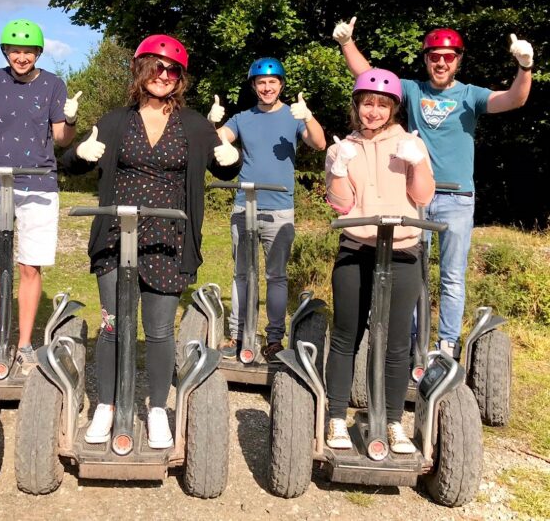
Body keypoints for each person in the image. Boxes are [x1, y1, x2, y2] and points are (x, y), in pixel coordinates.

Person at [60, 34, 242, 448]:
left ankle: (157, 408)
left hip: (168, 237)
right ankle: (106, 405)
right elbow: (69, 165)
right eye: (155, 68)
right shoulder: (115, 120)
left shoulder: (194, 124)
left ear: (180, 78)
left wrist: (233, 159)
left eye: (171, 69)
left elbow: (225, 166)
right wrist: (80, 154)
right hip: (116, 235)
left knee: (159, 331)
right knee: (112, 327)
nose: (163, 75)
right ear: (141, 71)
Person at [333, 18, 533, 357]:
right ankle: (410, 340)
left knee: (452, 275)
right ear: (426, 60)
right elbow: (367, 76)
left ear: (458, 61)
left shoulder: (470, 95)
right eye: (434, 57)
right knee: (413, 274)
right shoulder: (413, 90)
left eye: (448, 57)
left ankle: (446, 343)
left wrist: (525, 67)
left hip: (457, 198)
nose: (441, 63)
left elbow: (513, 100)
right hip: (415, 196)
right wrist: (346, 43)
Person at [0, 19, 79, 367]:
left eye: (27, 51)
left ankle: (24, 343)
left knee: (29, 266)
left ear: (38, 53)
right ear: (5, 51)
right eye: (15, 50)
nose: (21, 57)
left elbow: (61, 139)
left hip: (38, 181)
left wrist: (70, 120)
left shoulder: (54, 85)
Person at [324, 68, 435, 453]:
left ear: (392, 108)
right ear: (357, 106)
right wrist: (338, 169)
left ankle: (391, 421)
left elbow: (422, 197)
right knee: (345, 334)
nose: (373, 111)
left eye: (381, 105)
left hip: (403, 250)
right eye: (367, 104)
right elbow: (341, 205)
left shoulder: (409, 143)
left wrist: (417, 162)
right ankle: (336, 417)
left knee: (396, 341)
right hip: (357, 248)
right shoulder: (341, 148)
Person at [207, 58, 327, 361]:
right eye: (261, 82)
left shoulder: (294, 116)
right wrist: (212, 124)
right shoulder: (242, 118)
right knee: (241, 274)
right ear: (253, 86)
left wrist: (309, 118)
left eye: (273, 82)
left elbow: (320, 143)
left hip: (280, 209)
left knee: (276, 276)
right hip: (244, 206)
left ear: (281, 85)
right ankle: (238, 335)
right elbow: (217, 141)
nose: (267, 87)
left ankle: (274, 338)